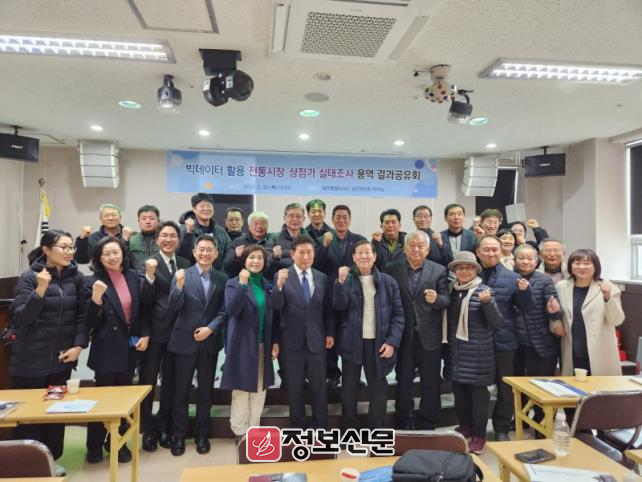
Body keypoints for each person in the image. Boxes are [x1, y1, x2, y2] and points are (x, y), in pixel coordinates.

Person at [9, 230, 88, 475]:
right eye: (63, 247)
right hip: (30, 360)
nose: (69, 252)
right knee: (30, 417)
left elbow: (82, 316)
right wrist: (40, 290)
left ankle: (52, 460)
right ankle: (27, 466)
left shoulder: (76, 277)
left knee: (56, 415)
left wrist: (78, 346)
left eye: (71, 247)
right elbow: (21, 318)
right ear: (46, 249)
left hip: (61, 360)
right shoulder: (30, 277)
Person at [85, 237, 149, 464]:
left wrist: (145, 334)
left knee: (123, 399)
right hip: (106, 348)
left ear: (123, 253)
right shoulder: (92, 281)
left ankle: (116, 443)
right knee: (102, 400)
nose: (112, 257)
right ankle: (94, 445)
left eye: (116, 252)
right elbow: (90, 323)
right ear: (99, 258)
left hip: (129, 347)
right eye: (106, 254)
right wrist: (96, 299)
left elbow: (141, 311)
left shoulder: (133, 276)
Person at [167, 234, 227, 456]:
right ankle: (179, 435)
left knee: (205, 391)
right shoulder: (182, 274)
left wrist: (210, 328)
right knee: (181, 391)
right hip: (184, 341)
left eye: (209, 250)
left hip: (209, 342)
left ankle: (202, 434)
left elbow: (224, 310)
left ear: (216, 254)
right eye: (201, 249)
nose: (205, 253)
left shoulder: (222, 278)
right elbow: (173, 306)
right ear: (194, 252)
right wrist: (178, 285)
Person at [333, 240, 404, 429]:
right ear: (353, 257)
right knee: (349, 390)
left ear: (375, 256)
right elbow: (338, 306)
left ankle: (376, 428)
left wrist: (392, 342)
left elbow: (398, 315)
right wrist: (339, 283)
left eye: (367, 252)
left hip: (379, 343)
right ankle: (349, 427)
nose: (364, 256)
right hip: (352, 342)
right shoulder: (345, 279)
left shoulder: (388, 282)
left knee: (378, 390)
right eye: (359, 253)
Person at [385, 231, 450, 430]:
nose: (416, 249)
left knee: (431, 381)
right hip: (403, 335)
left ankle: (428, 420)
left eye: (421, 246)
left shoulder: (439, 270)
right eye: (412, 245)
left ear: (427, 250)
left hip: (430, 336)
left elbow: (447, 299)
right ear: (404, 248)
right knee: (403, 379)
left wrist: (436, 299)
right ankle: (404, 419)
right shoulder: (391, 268)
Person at [444, 251, 504, 455]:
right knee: (460, 394)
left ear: (475, 270)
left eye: (468, 268)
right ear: (455, 271)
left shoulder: (485, 291)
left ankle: (479, 435)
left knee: (479, 397)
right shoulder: (452, 290)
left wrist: (487, 303)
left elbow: (497, 323)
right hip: (456, 352)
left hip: (478, 354)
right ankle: (466, 426)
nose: (464, 271)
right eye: (460, 268)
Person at [138, 221, 191, 452]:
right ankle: (148, 431)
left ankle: (165, 426)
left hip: (178, 332)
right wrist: (149, 276)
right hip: (154, 333)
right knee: (148, 383)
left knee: (171, 382)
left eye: (173, 236)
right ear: (157, 239)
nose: (168, 239)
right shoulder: (147, 263)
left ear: (178, 240)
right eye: (164, 235)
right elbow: (144, 299)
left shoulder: (186, 263)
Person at [476, 234, 534, 441]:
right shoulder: (468, 275)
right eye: (486, 249)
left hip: (504, 340)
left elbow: (526, 308)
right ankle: (476, 427)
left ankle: (501, 428)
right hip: (476, 342)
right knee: (477, 387)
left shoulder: (512, 277)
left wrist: (525, 292)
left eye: (495, 249)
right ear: (478, 252)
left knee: (505, 387)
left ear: (501, 252)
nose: (491, 253)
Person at [271, 235, 333, 429]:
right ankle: (298, 428)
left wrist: (330, 333)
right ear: (292, 254)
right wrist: (279, 286)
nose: (306, 257)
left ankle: (320, 426)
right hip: (291, 341)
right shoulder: (282, 275)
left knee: (319, 387)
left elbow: (327, 310)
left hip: (317, 340)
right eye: (301, 253)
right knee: (294, 388)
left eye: (309, 252)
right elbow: (276, 308)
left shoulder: (322, 277)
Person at [221, 245, 278, 440]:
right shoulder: (233, 283)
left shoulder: (267, 285)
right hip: (242, 344)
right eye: (252, 257)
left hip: (263, 344)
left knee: (260, 389)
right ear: (244, 260)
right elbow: (232, 310)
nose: (256, 261)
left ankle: (254, 429)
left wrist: (275, 341)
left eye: (260, 258)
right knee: (241, 389)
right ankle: (239, 430)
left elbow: (273, 317)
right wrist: (242, 285)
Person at [314, 204, 366, 389]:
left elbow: (364, 265)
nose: (341, 220)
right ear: (332, 220)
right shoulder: (322, 240)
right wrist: (324, 247)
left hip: (353, 294)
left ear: (350, 220)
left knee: (353, 334)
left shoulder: (359, 240)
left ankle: (353, 376)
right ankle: (332, 374)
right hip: (329, 294)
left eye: (345, 217)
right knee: (331, 333)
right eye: (338, 217)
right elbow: (316, 265)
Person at [512, 244, 562, 427]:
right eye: (521, 258)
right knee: (517, 385)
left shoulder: (544, 280)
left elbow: (555, 311)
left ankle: (543, 424)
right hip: (514, 342)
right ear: (514, 260)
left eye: (529, 258)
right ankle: (521, 420)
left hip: (540, 342)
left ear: (536, 261)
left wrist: (554, 310)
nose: (525, 262)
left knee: (541, 385)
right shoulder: (509, 278)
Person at [555, 249, 624, 376]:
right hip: (572, 348)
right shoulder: (561, 287)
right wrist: (555, 324)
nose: (582, 267)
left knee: (600, 387)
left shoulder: (609, 287)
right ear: (570, 266)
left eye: (587, 263)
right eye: (577, 263)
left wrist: (607, 297)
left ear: (596, 266)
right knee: (573, 386)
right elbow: (555, 313)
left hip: (600, 351)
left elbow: (616, 320)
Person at [177, 193, 231, 270]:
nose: (206, 209)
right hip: (192, 274)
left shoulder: (221, 231)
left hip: (216, 275)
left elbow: (228, 255)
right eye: (202, 206)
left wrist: (220, 274)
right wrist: (189, 234)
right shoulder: (183, 229)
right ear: (194, 209)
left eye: (209, 205)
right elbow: (181, 257)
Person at [223, 211, 273, 277]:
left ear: (267, 226)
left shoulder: (274, 240)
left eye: (263, 223)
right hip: (244, 278)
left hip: (268, 279)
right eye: (256, 223)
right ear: (249, 226)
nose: (259, 226)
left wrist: (276, 258)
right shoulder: (239, 242)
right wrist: (236, 256)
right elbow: (226, 266)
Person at [265, 203, 308, 276]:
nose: (295, 219)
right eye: (291, 216)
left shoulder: (308, 240)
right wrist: (275, 257)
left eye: (298, 216)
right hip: (280, 279)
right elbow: (266, 268)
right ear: (284, 218)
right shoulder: (273, 238)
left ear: (303, 219)